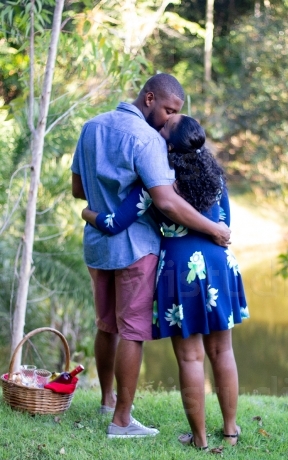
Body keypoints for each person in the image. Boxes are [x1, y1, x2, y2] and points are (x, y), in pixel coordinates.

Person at [71, 74, 231, 439]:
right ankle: (122, 421)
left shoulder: (91, 127)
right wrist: (214, 229)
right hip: (135, 247)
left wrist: (98, 209)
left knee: (106, 324)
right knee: (132, 330)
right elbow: (166, 201)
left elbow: (78, 189)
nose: (168, 119)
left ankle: (108, 400)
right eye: (168, 110)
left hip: (98, 244)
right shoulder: (147, 139)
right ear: (149, 98)